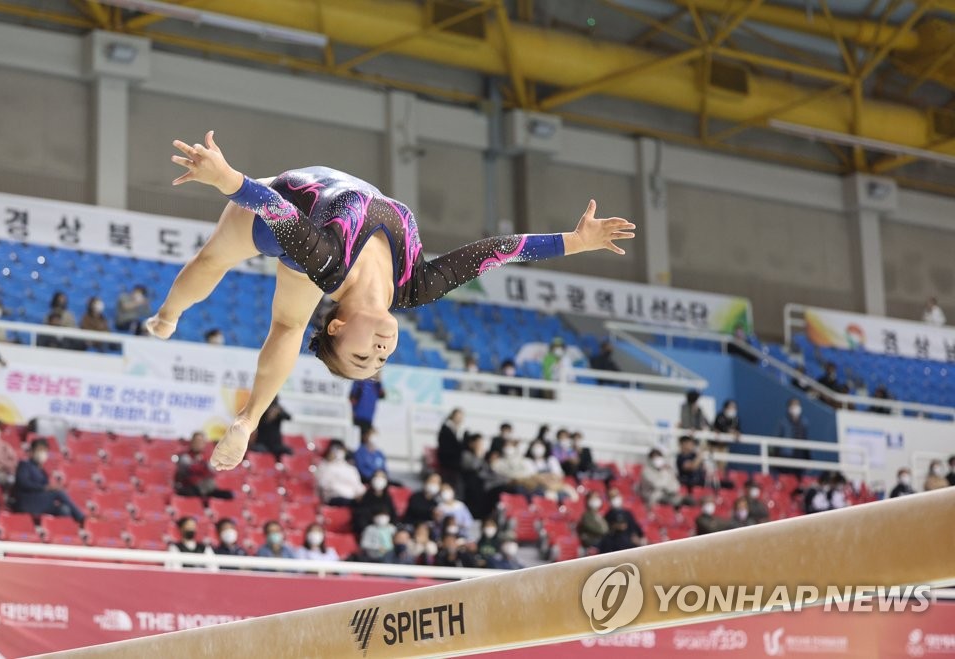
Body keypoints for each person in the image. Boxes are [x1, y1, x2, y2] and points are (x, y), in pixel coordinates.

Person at [142, 132, 635, 473]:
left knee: (218, 267)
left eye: (363, 356)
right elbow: (493, 252)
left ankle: (172, 322)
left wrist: (225, 177)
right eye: (381, 360)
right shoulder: (416, 287)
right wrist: (572, 242)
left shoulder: (326, 263)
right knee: (287, 322)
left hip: (279, 205)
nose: (380, 351)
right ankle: (245, 417)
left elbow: (275, 210)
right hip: (310, 213)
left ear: (335, 328)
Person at [13, 439, 85, 523]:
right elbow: (23, 483)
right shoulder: (24, 465)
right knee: (58, 492)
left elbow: (45, 489)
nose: (42, 453)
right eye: (39, 450)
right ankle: (82, 518)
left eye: (44, 451)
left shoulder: (42, 471)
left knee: (64, 509)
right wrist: (45, 488)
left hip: (39, 502)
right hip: (27, 502)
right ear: (32, 451)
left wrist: (49, 488)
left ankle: (67, 532)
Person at [174, 432, 233, 500]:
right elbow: (190, 469)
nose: (198, 444)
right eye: (197, 441)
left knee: (228, 495)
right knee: (190, 493)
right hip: (190, 487)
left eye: (201, 442)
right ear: (192, 442)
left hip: (206, 488)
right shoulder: (185, 457)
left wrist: (202, 467)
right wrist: (204, 467)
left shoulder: (207, 457)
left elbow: (213, 472)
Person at [315, 440, 365, 506]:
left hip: (352, 497)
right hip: (334, 497)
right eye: (336, 450)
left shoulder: (350, 468)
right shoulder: (324, 466)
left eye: (341, 450)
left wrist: (362, 495)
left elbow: (357, 484)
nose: (339, 452)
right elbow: (323, 484)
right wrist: (329, 463)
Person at [352, 469, 395, 535]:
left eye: (382, 477)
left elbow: (393, 517)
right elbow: (360, 519)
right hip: (369, 532)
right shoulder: (365, 498)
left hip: (386, 532)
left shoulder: (387, 498)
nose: (379, 479)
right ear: (372, 479)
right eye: (376, 477)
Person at [436, 408, 466, 481]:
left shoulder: (457, 429)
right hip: (448, 460)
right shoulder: (446, 429)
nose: (460, 419)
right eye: (458, 417)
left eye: (461, 417)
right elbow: (447, 447)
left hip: (453, 459)